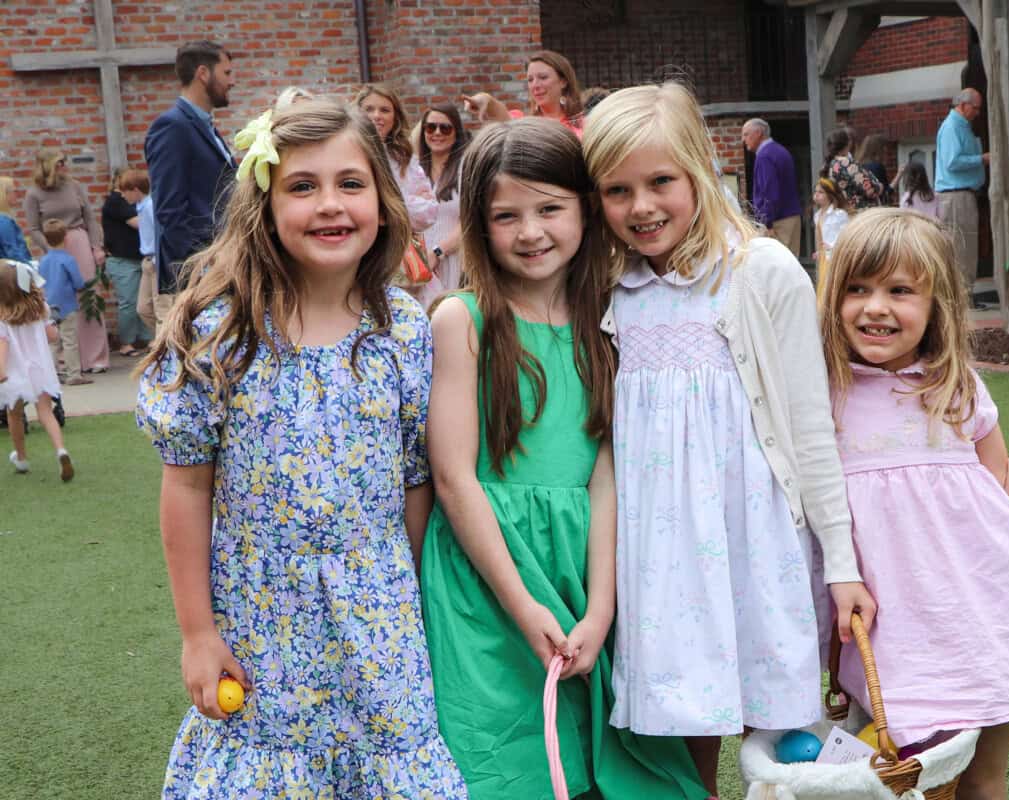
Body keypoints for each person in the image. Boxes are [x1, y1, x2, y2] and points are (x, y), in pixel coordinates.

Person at [135, 98, 467, 798]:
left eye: (351, 183)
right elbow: (187, 487)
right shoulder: (219, 333)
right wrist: (198, 634)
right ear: (264, 202)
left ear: (381, 197)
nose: (330, 205)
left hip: (380, 620)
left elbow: (415, 483)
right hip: (262, 619)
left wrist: (397, 596)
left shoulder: (403, 332)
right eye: (302, 186)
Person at [583, 83, 874, 794]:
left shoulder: (759, 271)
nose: (642, 206)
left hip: (754, 531)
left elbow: (810, 425)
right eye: (617, 191)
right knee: (686, 726)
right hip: (658, 545)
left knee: (773, 726)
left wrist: (841, 561)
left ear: (698, 173)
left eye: (660, 182)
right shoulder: (604, 285)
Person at [420, 117, 707, 800]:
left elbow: (605, 474)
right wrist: (522, 605)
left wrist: (601, 608)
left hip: (583, 565)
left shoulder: (606, 322)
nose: (530, 231)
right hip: (489, 579)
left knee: (604, 763)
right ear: (478, 226)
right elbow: (455, 480)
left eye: (550, 208)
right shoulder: (463, 319)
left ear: (584, 209)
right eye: (505, 216)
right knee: (507, 764)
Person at [819, 207, 1009, 800]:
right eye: (858, 288)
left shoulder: (958, 388)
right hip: (893, 631)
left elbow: (1003, 497)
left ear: (936, 306)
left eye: (899, 290)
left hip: (985, 619)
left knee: (982, 780)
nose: (875, 306)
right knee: (898, 780)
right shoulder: (826, 394)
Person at [144, 40, 238, 324]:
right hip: (204, 270)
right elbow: (169, 211)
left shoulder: (204, 126)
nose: (231, 82)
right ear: (203, 73)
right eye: (227, 73)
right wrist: (202, 266)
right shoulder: (173, 126)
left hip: (224, 262)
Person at [23, 147, 109, 373]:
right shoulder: (34, 194)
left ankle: (95, 358)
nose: (64, 166)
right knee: (60, 300)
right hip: (54, 247)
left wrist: (96, 247)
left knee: (89, 297)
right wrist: (50, 248)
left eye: (65, 162)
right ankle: (66, 361)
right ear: (48, 166)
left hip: (79, 240)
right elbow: (33, 228)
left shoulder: (74, 186)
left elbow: (90, 218)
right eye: (59, 163)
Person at [0, 259, 74, 480]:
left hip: (15, 373)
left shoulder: (2, 317)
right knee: (46, 412)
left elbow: (2, 345)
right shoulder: (39, 309)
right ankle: (61, 449)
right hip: (41, 369)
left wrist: (1, 371)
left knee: (15, 415)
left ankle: (21, 458)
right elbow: (52, 337)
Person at [353, 83, 438, 235]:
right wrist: (403, 204)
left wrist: (386, 207)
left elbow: (428, 213)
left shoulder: (402, 156)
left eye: (384, 110)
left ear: (395, 118)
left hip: (396, 247)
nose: (377, 115)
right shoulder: (346, 153)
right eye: (369, 109)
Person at [935, 88, 989, 304]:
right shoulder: (951, 127)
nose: (977, 113)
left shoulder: (961, 126)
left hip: (962, 196)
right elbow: (952, 162)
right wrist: (981, 159)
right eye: (975, 108)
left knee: (966, 249)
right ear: (963, 105)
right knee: (961, 249)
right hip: (956, 196)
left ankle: (963, 297)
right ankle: (960, 300)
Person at [413, 102, 469, 307]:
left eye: (445, 128)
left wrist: (437, 252)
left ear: (456, 132)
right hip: (418, 265)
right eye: (430, 127)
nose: (437, 133)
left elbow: (469, 221)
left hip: (453, 261)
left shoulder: (466, 168)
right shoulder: (413, 169)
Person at [462, 50, 585, 136]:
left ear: (563, 81)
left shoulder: (583, 124)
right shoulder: (523, 123)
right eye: (530, 80)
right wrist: (487, 100)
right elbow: (504, 117)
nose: (535, 85)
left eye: (543, 77)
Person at [101, 168, 151, 356]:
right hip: (123, 260)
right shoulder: (116, 201)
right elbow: (138, 223)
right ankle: (126, 342)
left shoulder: (139, 203)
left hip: (137, 258)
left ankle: (147, 338)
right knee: (129, 303)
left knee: (144, 303)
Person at [742, 117, 805, 256]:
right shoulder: (781, 151)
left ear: (758, 133)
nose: (743, 139)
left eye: (746, 134)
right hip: (791, 217)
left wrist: (767, 223)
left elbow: (769, 192)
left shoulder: (765, 156)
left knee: (776, 265)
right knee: (791, 262)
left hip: (778, 222)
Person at [37, 219, 88, 387]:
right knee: (69, 340)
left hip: (48, 306)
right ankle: (74, 374)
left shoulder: (42, 261)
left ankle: (52, 373)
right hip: (67, 305)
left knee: (52, 342)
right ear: (65, 238)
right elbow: (78, 282)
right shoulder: (68, 260)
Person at [118, 170, 158, 336]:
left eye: (124, 191)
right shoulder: (141, 207)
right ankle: (164, 338)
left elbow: (158, 233)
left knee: (158, 307)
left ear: (135, 190)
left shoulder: (149, 207)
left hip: (155, 261)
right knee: (143, 308)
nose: (122, 196)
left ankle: (167, 342)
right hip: (146, 262)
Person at [822, 127, 883, 210]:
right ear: (847, 144)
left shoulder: (831, 165)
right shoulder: (848, 164)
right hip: (862, 214)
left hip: (845, 211)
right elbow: (870, 191)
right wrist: (879, 186)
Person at [812, 176, 851, 296]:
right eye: (816, 192)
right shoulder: (817, 215)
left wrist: (833, 245)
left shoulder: (839, 214)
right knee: (824, 284)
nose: (816, 195)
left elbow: (846, 235)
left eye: (821, 192)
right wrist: (819, 251)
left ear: (830, 195)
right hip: (824, 258)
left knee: (834, 284)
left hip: (836, 256)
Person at [0, 177, 32, 262]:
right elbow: (13, 253)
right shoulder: (4, 222)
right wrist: (30, 268)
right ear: (4, 194)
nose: (17, 194)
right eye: (14, 191)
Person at [856, 133, 892, 204]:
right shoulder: (877, 167)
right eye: (884, 147)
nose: (886, 150)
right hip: (876, 209)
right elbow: (885, 193)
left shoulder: (858, 166)